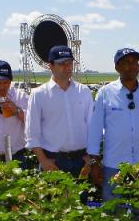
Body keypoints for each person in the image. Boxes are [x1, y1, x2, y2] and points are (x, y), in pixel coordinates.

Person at [86, 47, 139, 201]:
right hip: (114, 166)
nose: (132, 66)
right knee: (113, 213)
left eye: (135, 62)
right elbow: (95, 130)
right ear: (117, 67)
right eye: (126, 62)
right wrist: (93, 163)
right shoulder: (105, 93)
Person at [25, 45, 95, 176]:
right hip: (53, 162)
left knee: (82, 196)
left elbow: (91, 127)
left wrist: (89, 159)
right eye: (62, 64)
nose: (67, 67)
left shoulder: (83, 92)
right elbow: (32, 133)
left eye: (70, 63)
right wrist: (43, 161)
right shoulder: (39, 94)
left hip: (81, 161)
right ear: (50, 66)